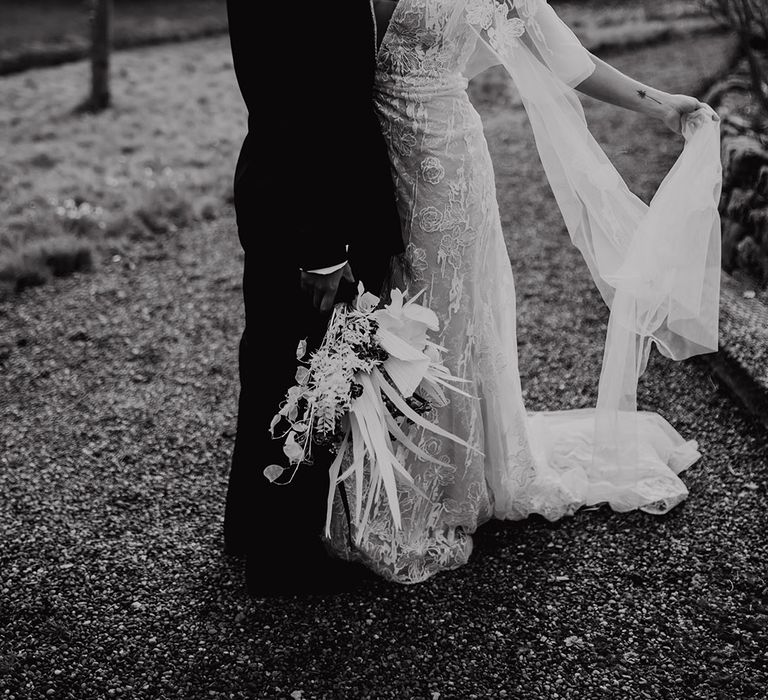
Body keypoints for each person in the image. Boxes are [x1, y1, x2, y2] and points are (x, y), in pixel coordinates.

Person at [324, 0, 721, 584]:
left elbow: (569, 60)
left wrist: (662, 105)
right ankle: (373, 456)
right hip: (366, 157)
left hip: (442, 161)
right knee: (379, 306)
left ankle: (441, 484)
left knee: (441, 314)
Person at [223, 1, 404, 595]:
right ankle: (283, 559)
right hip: (309, 212)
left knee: (280, 361)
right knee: (302, 367)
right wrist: (324, 246)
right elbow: (296, 104)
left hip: (291, 198)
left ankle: (254, 526)